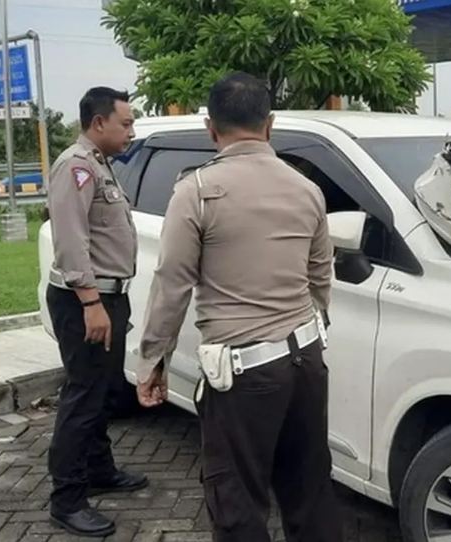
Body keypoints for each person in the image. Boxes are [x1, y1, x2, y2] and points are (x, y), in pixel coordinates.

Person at [136, 72, 340, 541]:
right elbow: (319, 276)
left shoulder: (198, 192)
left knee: (238, 501)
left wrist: (152, 360)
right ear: (269, 125)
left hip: (245, 376)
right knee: (310, 490)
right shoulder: (306, 189)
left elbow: (172, 285)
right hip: (306, 361)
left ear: (211, 128)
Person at [45, 87, 148, 538]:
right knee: (83, 396)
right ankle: (67, 499)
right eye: (125, 123)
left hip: (107, 296)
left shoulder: (101, 164)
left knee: (102, 390)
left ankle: (100, 469)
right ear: (98, 122)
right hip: (84, 300)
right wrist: (91, 303)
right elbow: (71, 240)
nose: (131, 131)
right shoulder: (77, 167)